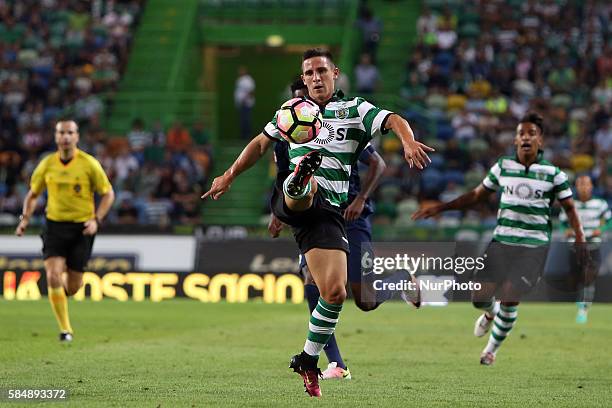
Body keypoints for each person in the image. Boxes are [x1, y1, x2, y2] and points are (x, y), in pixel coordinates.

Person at [202, 48, 433, 397]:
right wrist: (229, 174)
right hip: (295, 202)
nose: (315, 78)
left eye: (321, 71)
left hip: (330, 215)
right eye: (308, 73)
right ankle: (302, 176)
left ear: (335, 73)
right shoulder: (291, 112)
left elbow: (393, 119)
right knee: (302, 192)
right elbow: (261, 143)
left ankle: (308, 360)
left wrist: (407, 139)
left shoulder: (354, 110)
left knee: (338, 294)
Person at [269, 79, 420, 381]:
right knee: (313, 281)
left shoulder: (335, 129)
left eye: (308, 101)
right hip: (314, 218)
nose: (306, 108)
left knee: (363, 298)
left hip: (350, 214)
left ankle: (401, 278)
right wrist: (282, 213)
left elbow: (377, 164)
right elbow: (286, 178)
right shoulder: (284, 138)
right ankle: (336, 363)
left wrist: (362, 198)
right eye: (299, 101)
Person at [412, 112, 586, 365]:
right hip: (502, 242)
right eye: (521, 134)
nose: (526, 137)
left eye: (531, 134)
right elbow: (476, 196)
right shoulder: (503, 167)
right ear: (515, 140)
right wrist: (441, 207)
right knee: (479, 297)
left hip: (533, 247)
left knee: (509, 295)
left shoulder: (553, 174)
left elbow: (569, 208)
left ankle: (491, 349)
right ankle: (490, 314)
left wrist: (580, 236)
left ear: (541, 141)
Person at [15, 120, 115, 342]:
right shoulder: (47, 164)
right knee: (52, 274)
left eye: (70, 132)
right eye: (62, 132)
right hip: (54, 225)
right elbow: (32, 195)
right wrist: (25, 220)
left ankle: (62, 299)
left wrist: (96, 220)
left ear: (77, 137)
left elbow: (108, 194)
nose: (66, 137)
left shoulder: (89, 164)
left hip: (82, 228)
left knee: (73, 287)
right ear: (56, 136)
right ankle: (65, 329)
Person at [560, 175, 611, 323]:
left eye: (586, 184)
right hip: (575, 247)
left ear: (591, 187)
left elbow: (609, 221)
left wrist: (601, 229)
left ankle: (584, 308)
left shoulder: (599, 204)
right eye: (580, 185)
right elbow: (563, 224)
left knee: (589, 277)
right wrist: (566, 230)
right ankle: (579, 302)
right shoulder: (570, 205)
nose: (583, 187)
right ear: (576, 187)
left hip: (593, 246)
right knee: (576, 277)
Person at [234, 66, 256, 139]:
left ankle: (247, 136)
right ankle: (243, 136)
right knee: (243, 120)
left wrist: (244, 100)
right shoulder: (240, 79)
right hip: (242, 104)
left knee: (246, 120)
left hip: (246, 104)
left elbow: (251, 91)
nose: (240, 72)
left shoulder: (248, 80)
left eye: (242, 70)